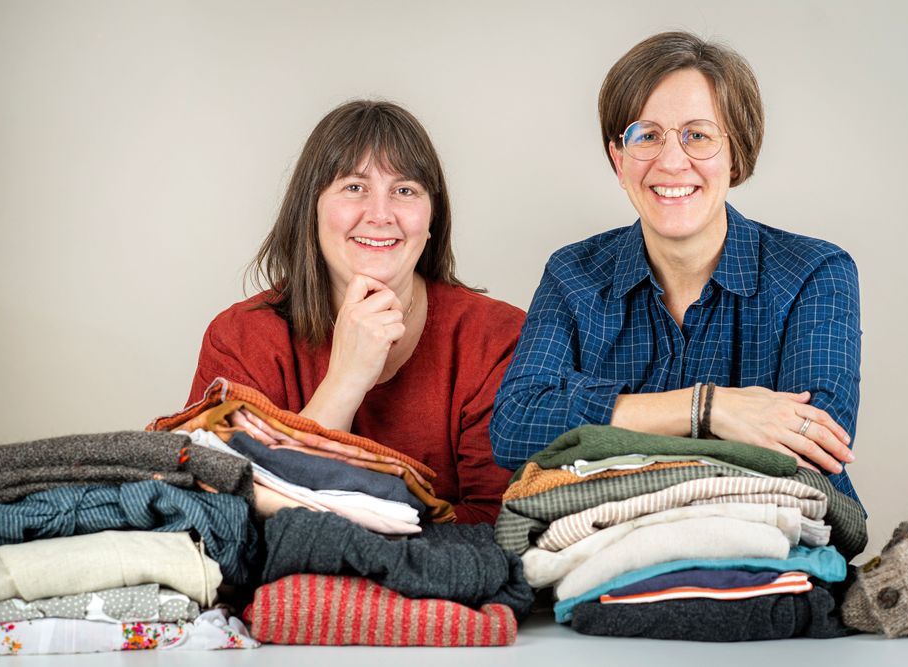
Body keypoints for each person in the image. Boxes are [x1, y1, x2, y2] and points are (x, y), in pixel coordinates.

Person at [490, 31, 863, 508]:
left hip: (770, 539)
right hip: (606, 540)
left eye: (698, 135)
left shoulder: (815, 272)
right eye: (646, 136)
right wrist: (709, 408)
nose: (670, 162)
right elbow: (516, 426)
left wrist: (599, 426)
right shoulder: (571, 274)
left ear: (736, 155)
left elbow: (813, 446)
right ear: (619, 160)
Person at [187, 100, 524, 524]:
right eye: (354, 187)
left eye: (405, 190)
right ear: (311, 208)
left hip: (442, 571)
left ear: (431, 217)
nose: (380, 215)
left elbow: (501, 521)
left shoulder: (497, 337)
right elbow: (219, 511)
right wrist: (345, 381)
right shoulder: (240, 338)